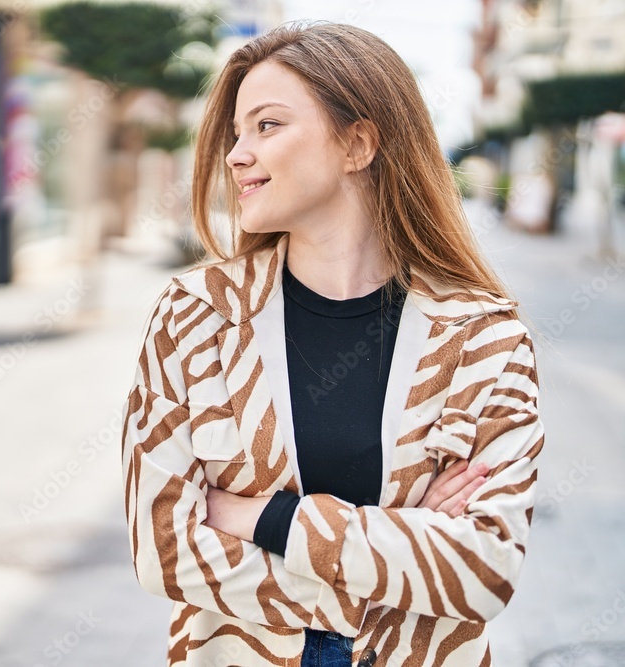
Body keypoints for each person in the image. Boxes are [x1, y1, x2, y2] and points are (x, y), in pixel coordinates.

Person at [120, 22, 543, 667]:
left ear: (358, 144)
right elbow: (164, 548)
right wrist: (398, 558)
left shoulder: (484, 336)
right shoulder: (195, 317)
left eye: (267, 126)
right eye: (237, 133)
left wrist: (264, 518)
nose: (236, 154)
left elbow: (483, 569)